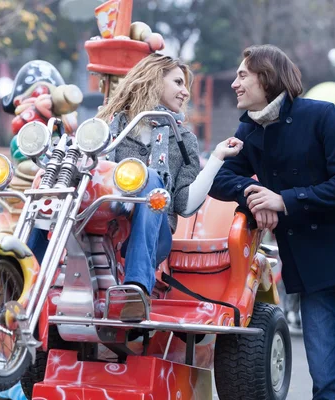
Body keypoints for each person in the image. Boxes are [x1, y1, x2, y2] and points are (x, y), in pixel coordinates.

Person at [209, 44, 335, 399]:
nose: (234, 84)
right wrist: (257, 195)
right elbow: (221, 179)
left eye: (242, 75)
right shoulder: (248, 130)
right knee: (326, 382)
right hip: (310, 267)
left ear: (266, 78)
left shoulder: (321, 115)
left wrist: (283, 201)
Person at [28, 53, 242, 322]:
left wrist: (217, 159)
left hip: (152, 232)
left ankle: (136, 287)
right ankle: (26, 271)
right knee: (48, 183)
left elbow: (184, 206)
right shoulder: (105, 126)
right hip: (100, 220)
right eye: (178, 82)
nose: (185, 92)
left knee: (149, 177)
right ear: (154, 80)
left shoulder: (183, 138)